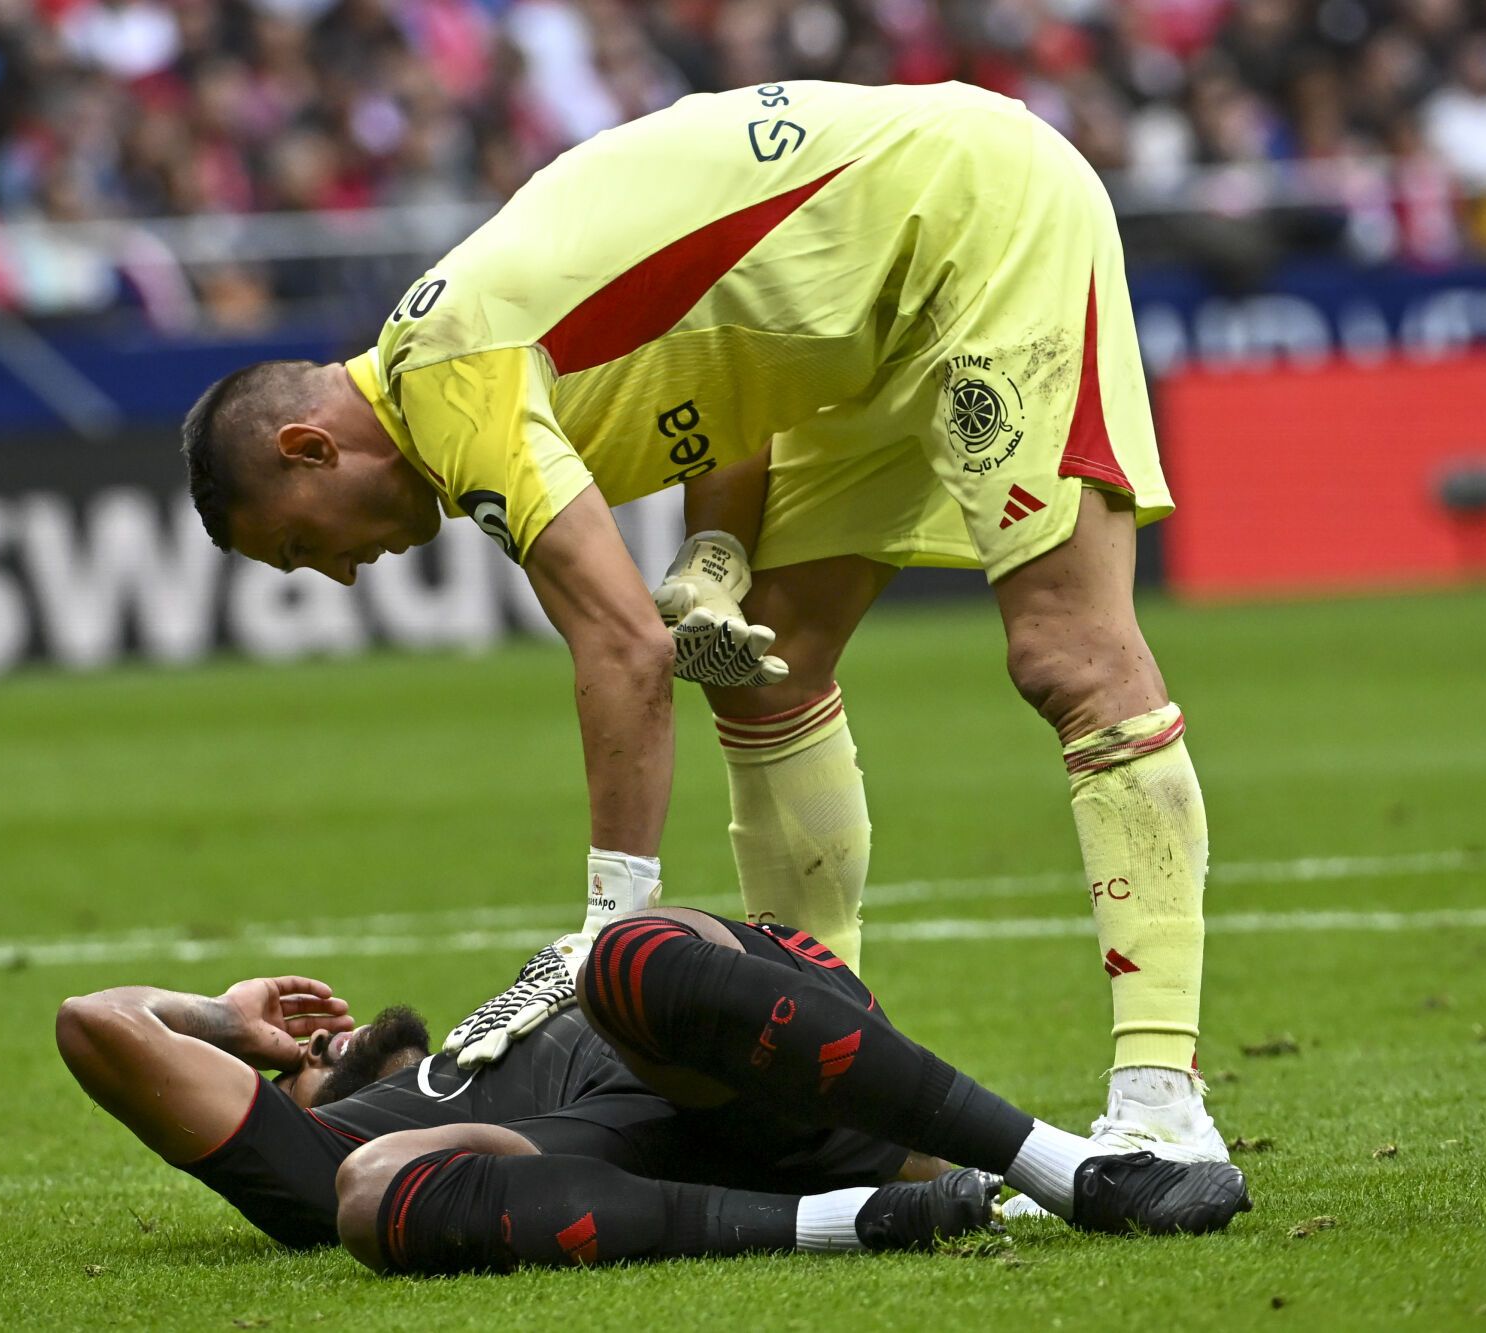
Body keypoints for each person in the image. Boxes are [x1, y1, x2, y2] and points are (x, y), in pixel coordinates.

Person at [178, 79, 1227, 1187]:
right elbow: (724, 371)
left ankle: (1160, 1104)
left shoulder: (443, 377)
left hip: (967, 218)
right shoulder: (457, 364)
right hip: (851, 326)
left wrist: (609, 926)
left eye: (300, 547)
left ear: (309, 449)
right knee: (766, 679)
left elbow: (624, 648)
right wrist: (714, 559)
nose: (335, 572)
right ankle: (819, 1117)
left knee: (1066, 655)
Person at [54, 909, 1250, 1274]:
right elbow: (95, 1026)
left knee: (624, 959)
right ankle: (864, 1223)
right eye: (291, 1055)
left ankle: (1068, 1167)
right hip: (696, 1150)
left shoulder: (479, 1041)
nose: (318, 1032)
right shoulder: (337, 1138)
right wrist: (222, 1017)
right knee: (369, 1199)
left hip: (744, 1022)